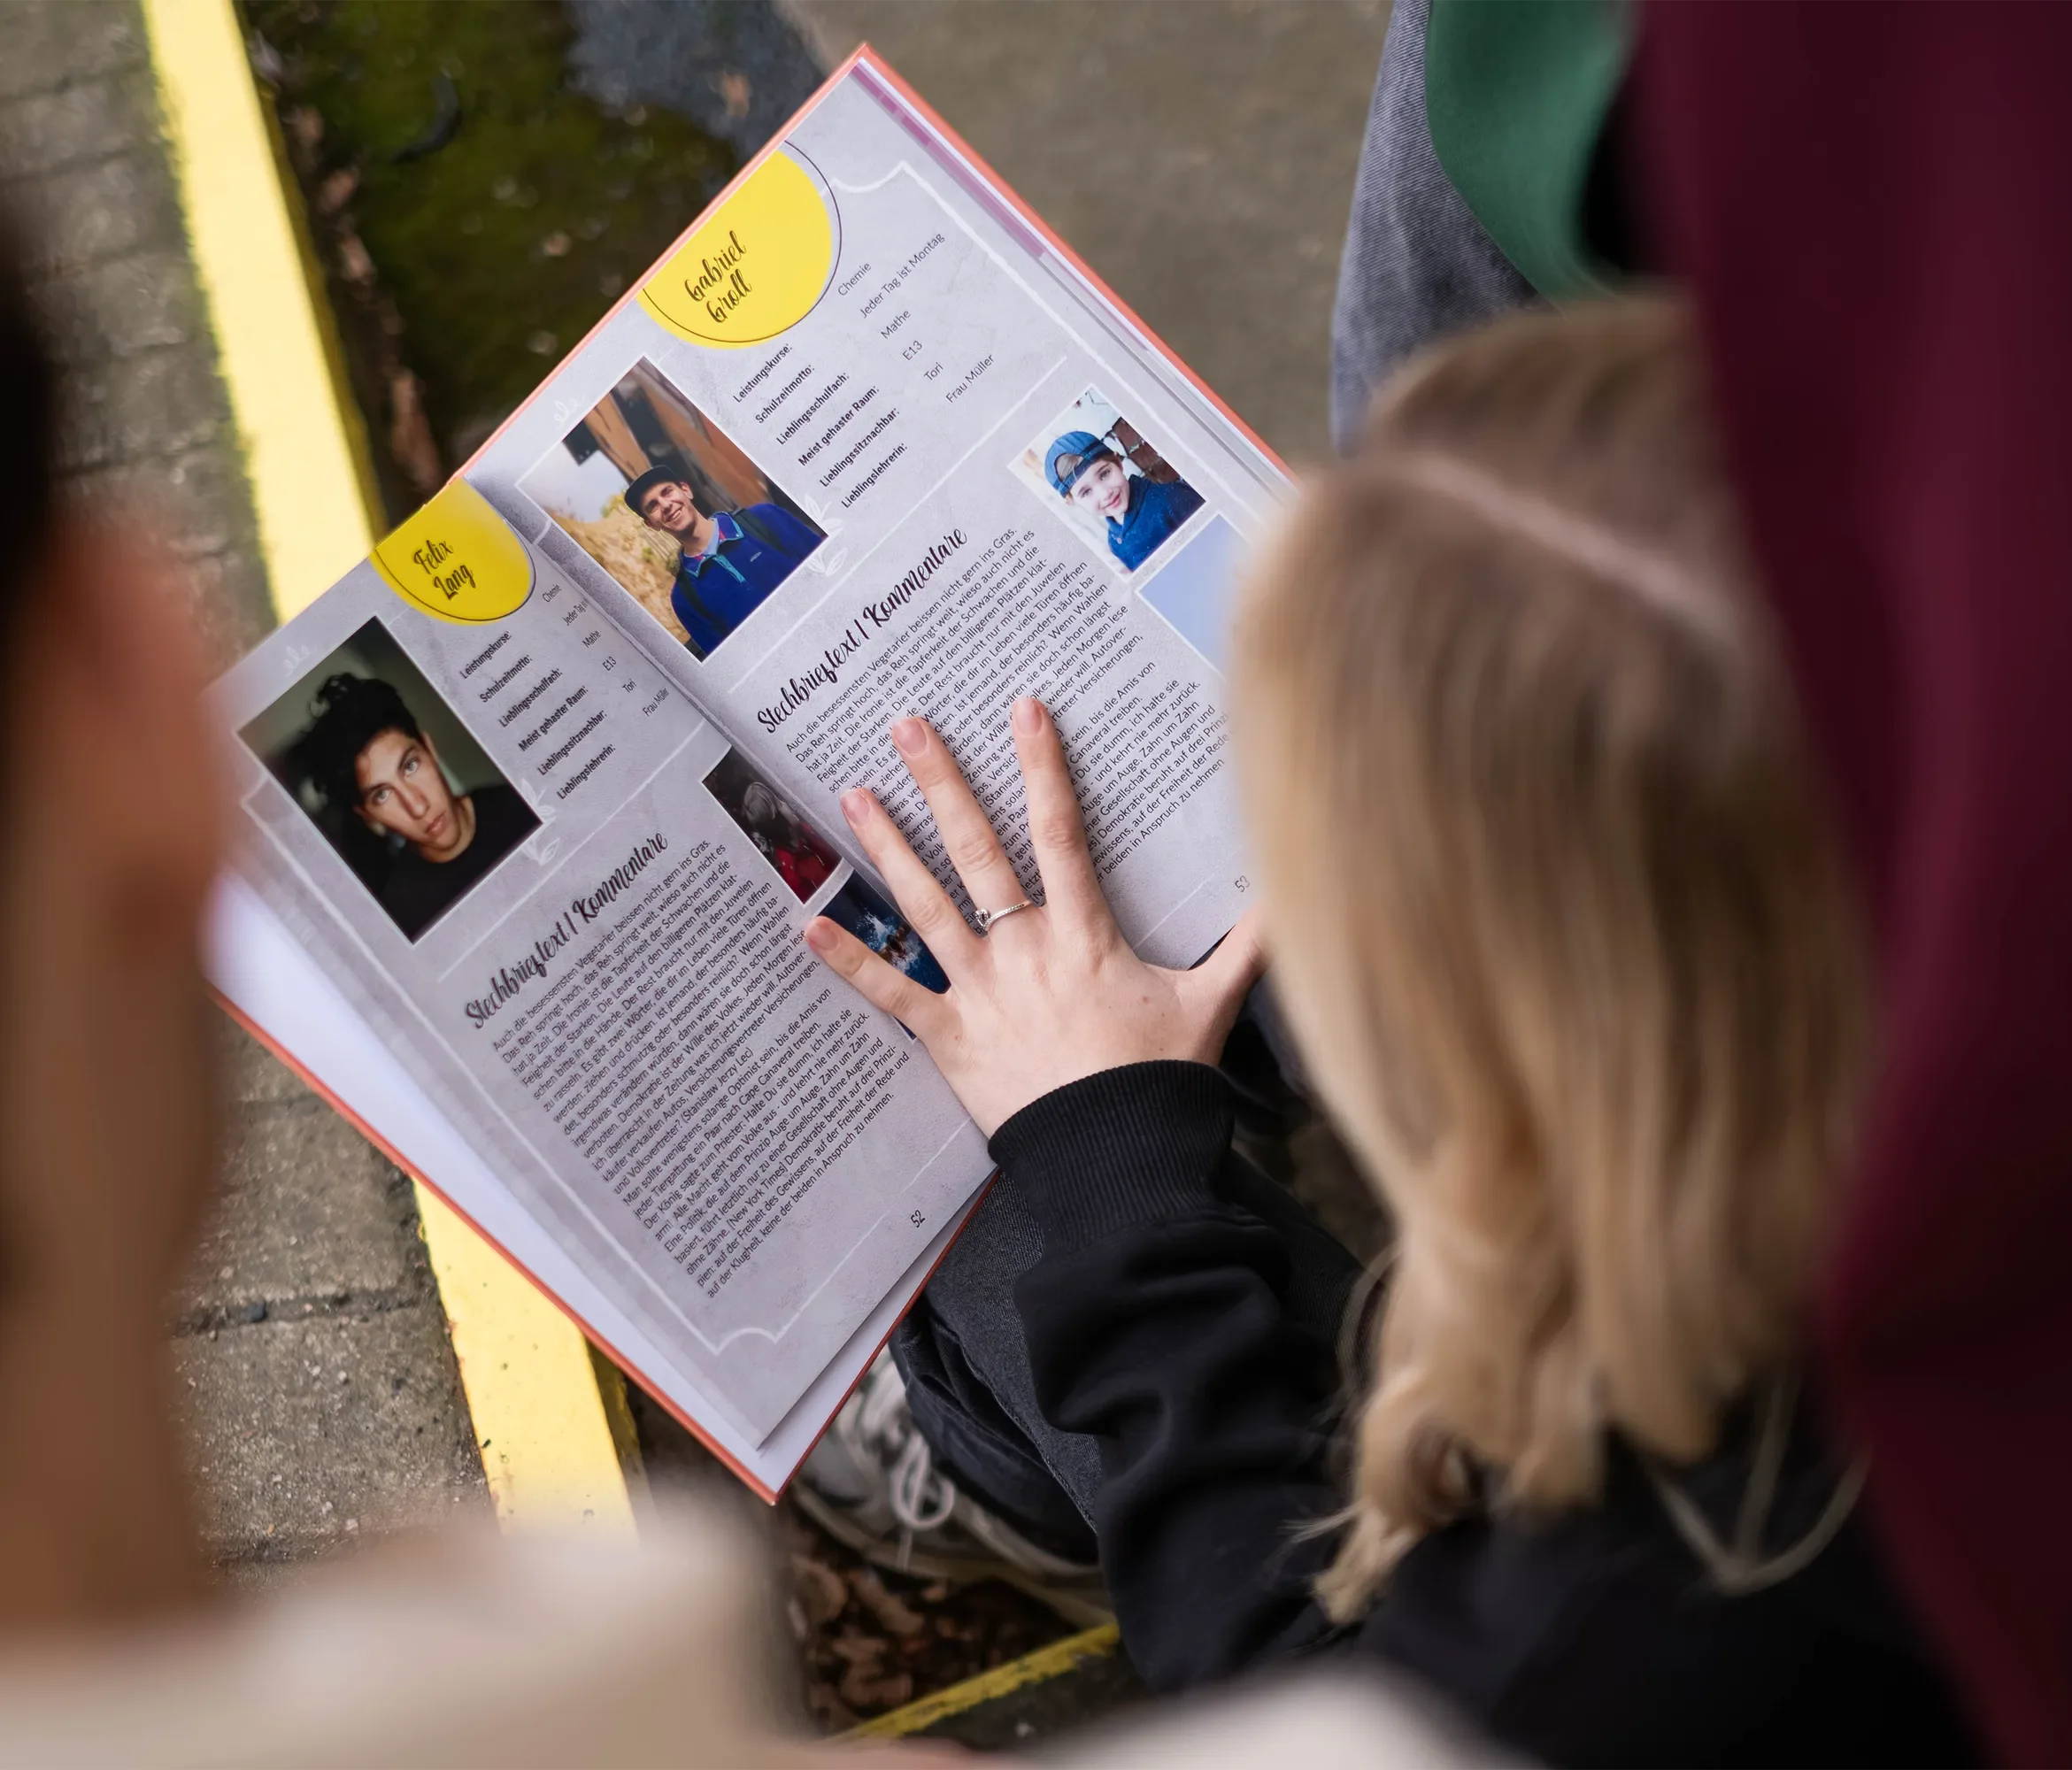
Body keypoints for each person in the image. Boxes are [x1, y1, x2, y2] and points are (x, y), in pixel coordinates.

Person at [801, 301, 1982, 1766]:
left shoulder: (1635, 1613)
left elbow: (1292, 1682)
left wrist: (1107, 1162)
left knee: (1003, 1202)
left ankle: (1005, 1495)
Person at [297, 673, 537, 940]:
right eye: (382, 795)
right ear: (367, 815)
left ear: (430, 750)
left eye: (410, 766)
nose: (418, 807)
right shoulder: (405, 920)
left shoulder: (526, 804)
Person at [625, 466, 823, 660]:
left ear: (686, 490)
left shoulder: (764, 518)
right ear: (651, 524)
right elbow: (734, 664)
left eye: (667, 492)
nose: (666, 505)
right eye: (653, 506)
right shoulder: (685, 599)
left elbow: (827, 566)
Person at [1044, 431, 1203, 572]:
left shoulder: (1171, 499)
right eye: (1086, 492)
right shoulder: (1114, 541)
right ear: (1071, 501)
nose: (1105, 493)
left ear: (1118, 463)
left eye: (1104, 474)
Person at [738, 779, 837, 902]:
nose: (785, 804)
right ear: (778, 821)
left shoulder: (806, 831)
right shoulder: (789, 863)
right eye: (780, 803)